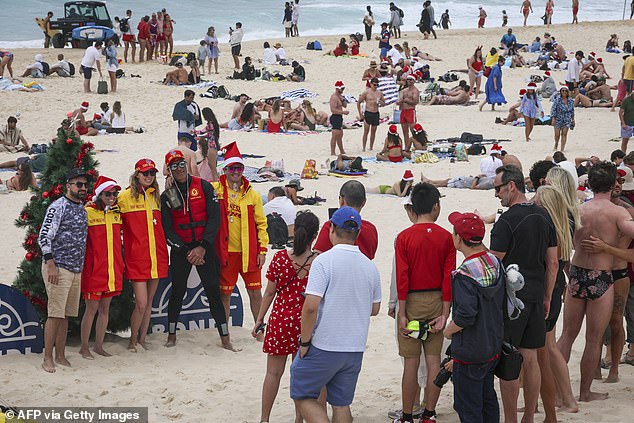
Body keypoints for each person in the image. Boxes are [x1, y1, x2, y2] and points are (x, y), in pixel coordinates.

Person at [289, 206, 382, 423]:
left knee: (302, 395)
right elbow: (374, 309)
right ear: (357, 233)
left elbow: (310, 306)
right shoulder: (370, 267)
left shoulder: (324, 261)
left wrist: (305, 342)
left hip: (325, 345)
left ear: (331, 229)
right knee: (341, 404)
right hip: (355, 347)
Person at [557, 161, 634, 401]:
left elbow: (561, 241)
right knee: (593, 339)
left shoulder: (579, 209)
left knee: (567, 335)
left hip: (577, 274)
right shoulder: (618, 212)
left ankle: (558, 393)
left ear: (589, 184)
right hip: (601, 277)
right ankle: (585, 392)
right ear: (613, 185)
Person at [490, 165, 558, 423]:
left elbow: (494, 264)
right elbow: (552, 262)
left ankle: (511, 420)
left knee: (509, 359)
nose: (496, 194)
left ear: (511, 185)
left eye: (498, 188)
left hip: (511, 299)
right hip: (536, 293)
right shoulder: (544, 216)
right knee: (531, 357)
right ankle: (529, 416)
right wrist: (548, 296)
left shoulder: (506, 221)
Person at [160, 150, 235, 350]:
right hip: (181, 250)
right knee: (177, 292)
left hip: (204, 248)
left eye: (181, 164)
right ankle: (171, 336)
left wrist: (202, 248)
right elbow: (167, 230)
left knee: (213, 291)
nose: (179, 169)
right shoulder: (167, 195)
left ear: (187, 165)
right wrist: (187, 252)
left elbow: (214, 219)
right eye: (174, 166)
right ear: (168, 170)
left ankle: (225, 339)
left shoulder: (203, 186)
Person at [394, 183, 455, 423]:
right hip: (437, 299)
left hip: (411, 300)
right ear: (436, 206)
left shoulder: (404, 237)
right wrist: (445, 311)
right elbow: (448, 276)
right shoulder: (446, 238)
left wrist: (401, 312)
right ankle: (429, 413)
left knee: (411, 362)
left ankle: (407, 415)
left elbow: (402, 277)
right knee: (432, 361)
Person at [254, 210, 318, 423]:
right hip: (307, 323)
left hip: (281, 320)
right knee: (300, 376)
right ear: (314, 235)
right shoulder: (319, 261)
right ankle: (299, 419)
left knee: (273, 374)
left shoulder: (280, 258)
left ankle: (265, 418)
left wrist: (259, 319)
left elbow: (270, 292)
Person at [443, 212, 504, 423]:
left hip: (470, 350)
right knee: (487, 400)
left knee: (468, 406)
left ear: (459, 238)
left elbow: (465, 315)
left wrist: (448, 331)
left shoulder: (464, 273)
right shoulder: (495, 263)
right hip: (492, 344)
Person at [211, 142, 269, 335]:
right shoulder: (216, 189)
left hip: (249, 252)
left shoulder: (252, 194)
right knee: (225, 294)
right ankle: (224, 334)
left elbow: (262, 224)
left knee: (255, 292)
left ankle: (259, 330)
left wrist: (262, 250)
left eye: (239, 168)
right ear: (225, 169)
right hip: (226, 252)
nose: (236, 172)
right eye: (232, 168)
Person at [38, 168, 91, 372]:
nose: (83, 188)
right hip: (58, 267)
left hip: (76, 268)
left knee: (66, 315)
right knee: (55, 314)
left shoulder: (81, 208)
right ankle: (47, 358)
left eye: (85, 185)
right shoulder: (58, 206)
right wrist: (50, 263)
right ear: (68, 185)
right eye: (79, 184)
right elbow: (44, 236)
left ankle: (60, 355)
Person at [118, 159, 169, 351]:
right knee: (141, 302)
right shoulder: (124, 197)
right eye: (145, 173)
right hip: (136, 257)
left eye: (152, 173)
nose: (149, 177)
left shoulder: (157, 197)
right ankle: (132, 341)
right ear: (137, 174)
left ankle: (142, 341)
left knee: (149, 304)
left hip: (157, 256)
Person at [79, 176, 123, 359]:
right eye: (108, 194)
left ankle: (98, 346)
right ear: (99, 195)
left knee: (105, 309)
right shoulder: (87, 212)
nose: (112, 197)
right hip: (93, 270)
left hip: (112, 270)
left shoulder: (116, 213)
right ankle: (84, 348)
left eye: (114, 194)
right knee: (91, 310)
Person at [314, 180, 378, 260]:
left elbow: (318, 256)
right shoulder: (371, 229)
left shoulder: (330, 226)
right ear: (363, 202)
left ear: (341, 200)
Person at [357, 77, 386, 151]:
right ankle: (363, 147)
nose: (376, 86)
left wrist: (380, 102)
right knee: (366, 131)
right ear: (371, 84)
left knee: (373, 131)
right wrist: (360, 114)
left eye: (377, 85)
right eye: (374, 85)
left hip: (376, 113)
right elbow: (359, 102)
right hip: (368, 112)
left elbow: (384, 103)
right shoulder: (366, 92)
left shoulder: (379, 93)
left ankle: (371, 147)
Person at [197, 107, 221, 181]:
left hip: (212, 146)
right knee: (212, 167)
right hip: (214, 146)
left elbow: (203, 132)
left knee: (212, 168)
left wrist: (194, 132)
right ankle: (215, 182)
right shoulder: (213, 123)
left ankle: (216, 183)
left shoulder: (210, 124)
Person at [398, 75, 420, 152]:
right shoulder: (404, 91)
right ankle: (407, 147)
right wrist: (399, 103)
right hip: (403, 111)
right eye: (408, 79)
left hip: (410, 111)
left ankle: (416, 146)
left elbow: (415, 102)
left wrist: (406, 100)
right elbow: (400, 101)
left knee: (413, 131)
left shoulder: (415, 91)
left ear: (414, 81)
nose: (409, 81)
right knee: (405, 131)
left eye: (411, 80)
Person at [551, 86, 576, 151]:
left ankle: (562, 148)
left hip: (567, 119)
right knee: (557, 135)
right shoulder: (557, 100)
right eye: (563, 91)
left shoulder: (570, 100)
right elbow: (553, 109)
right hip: (558, 118)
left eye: (566, 91)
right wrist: (553, 118)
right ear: (560, 92)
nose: (564, 92)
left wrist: (573, 119)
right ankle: (556, 144)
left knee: (564, 134)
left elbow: (572, 110)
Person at [329, 81, 349, 156]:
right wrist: (343, 112)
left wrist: (343, 99)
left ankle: (342, 150)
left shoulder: (339, 96)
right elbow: (333, 110)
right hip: (335, 117)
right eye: (342, 89)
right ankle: (333, 152)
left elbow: (345, 105)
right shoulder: (334, 97)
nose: (343, 90)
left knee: (340, 135)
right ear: (338, 89)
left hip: (339, 117)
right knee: (334, 135)